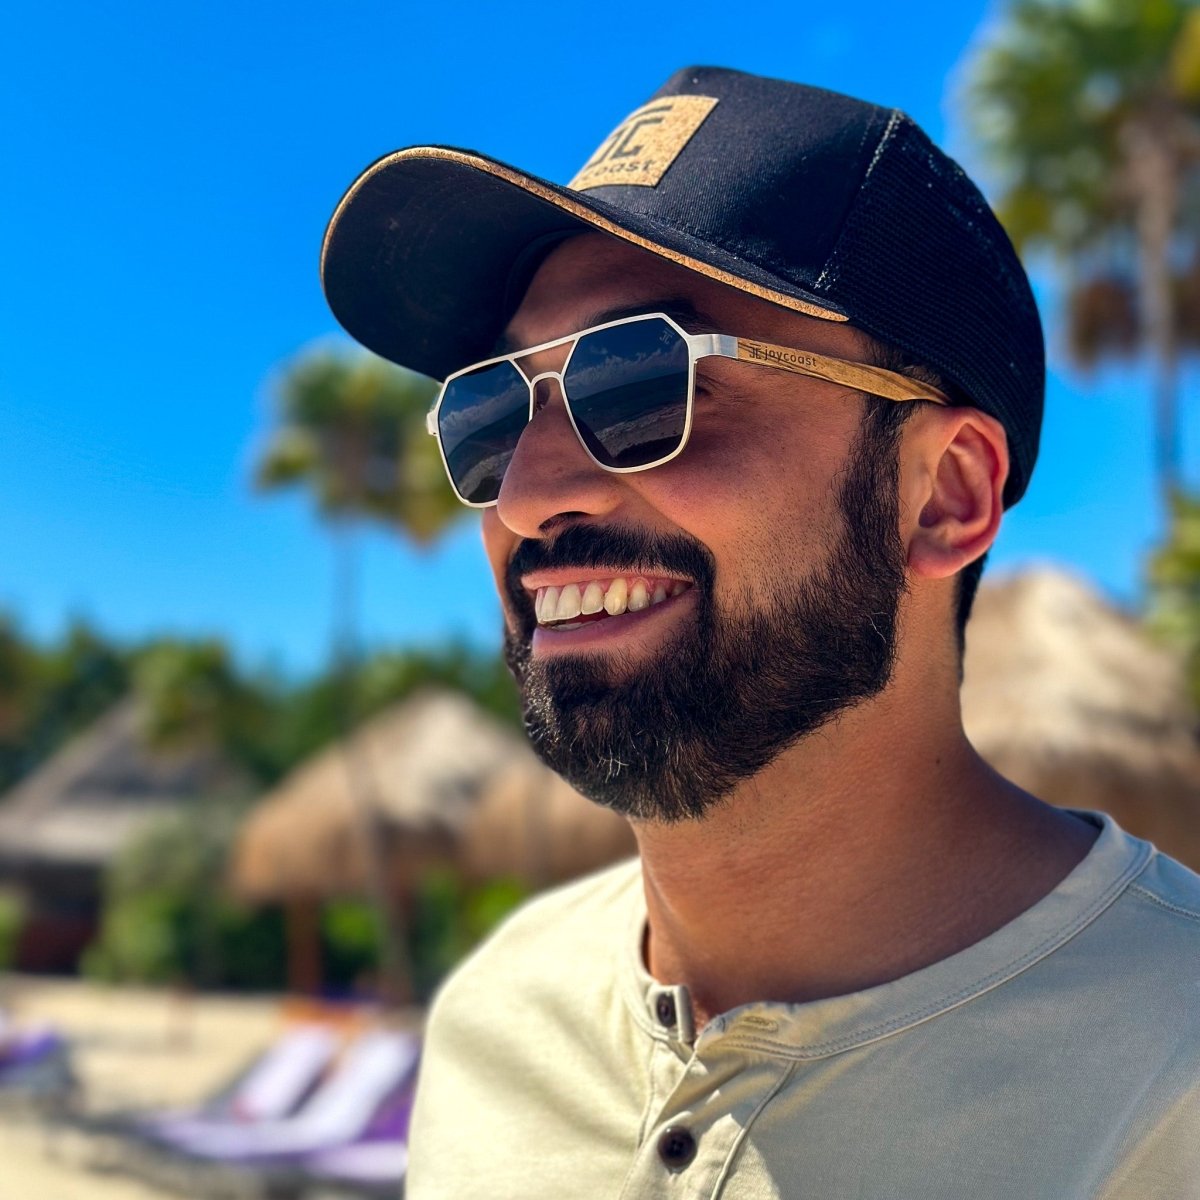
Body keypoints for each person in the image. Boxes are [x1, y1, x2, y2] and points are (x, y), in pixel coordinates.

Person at [321, 67, 1200, 1199]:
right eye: (490, 412)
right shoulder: (494, 1024)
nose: (526, 497)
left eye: (639, 379)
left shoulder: (1172, 1066)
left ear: (944, 495)